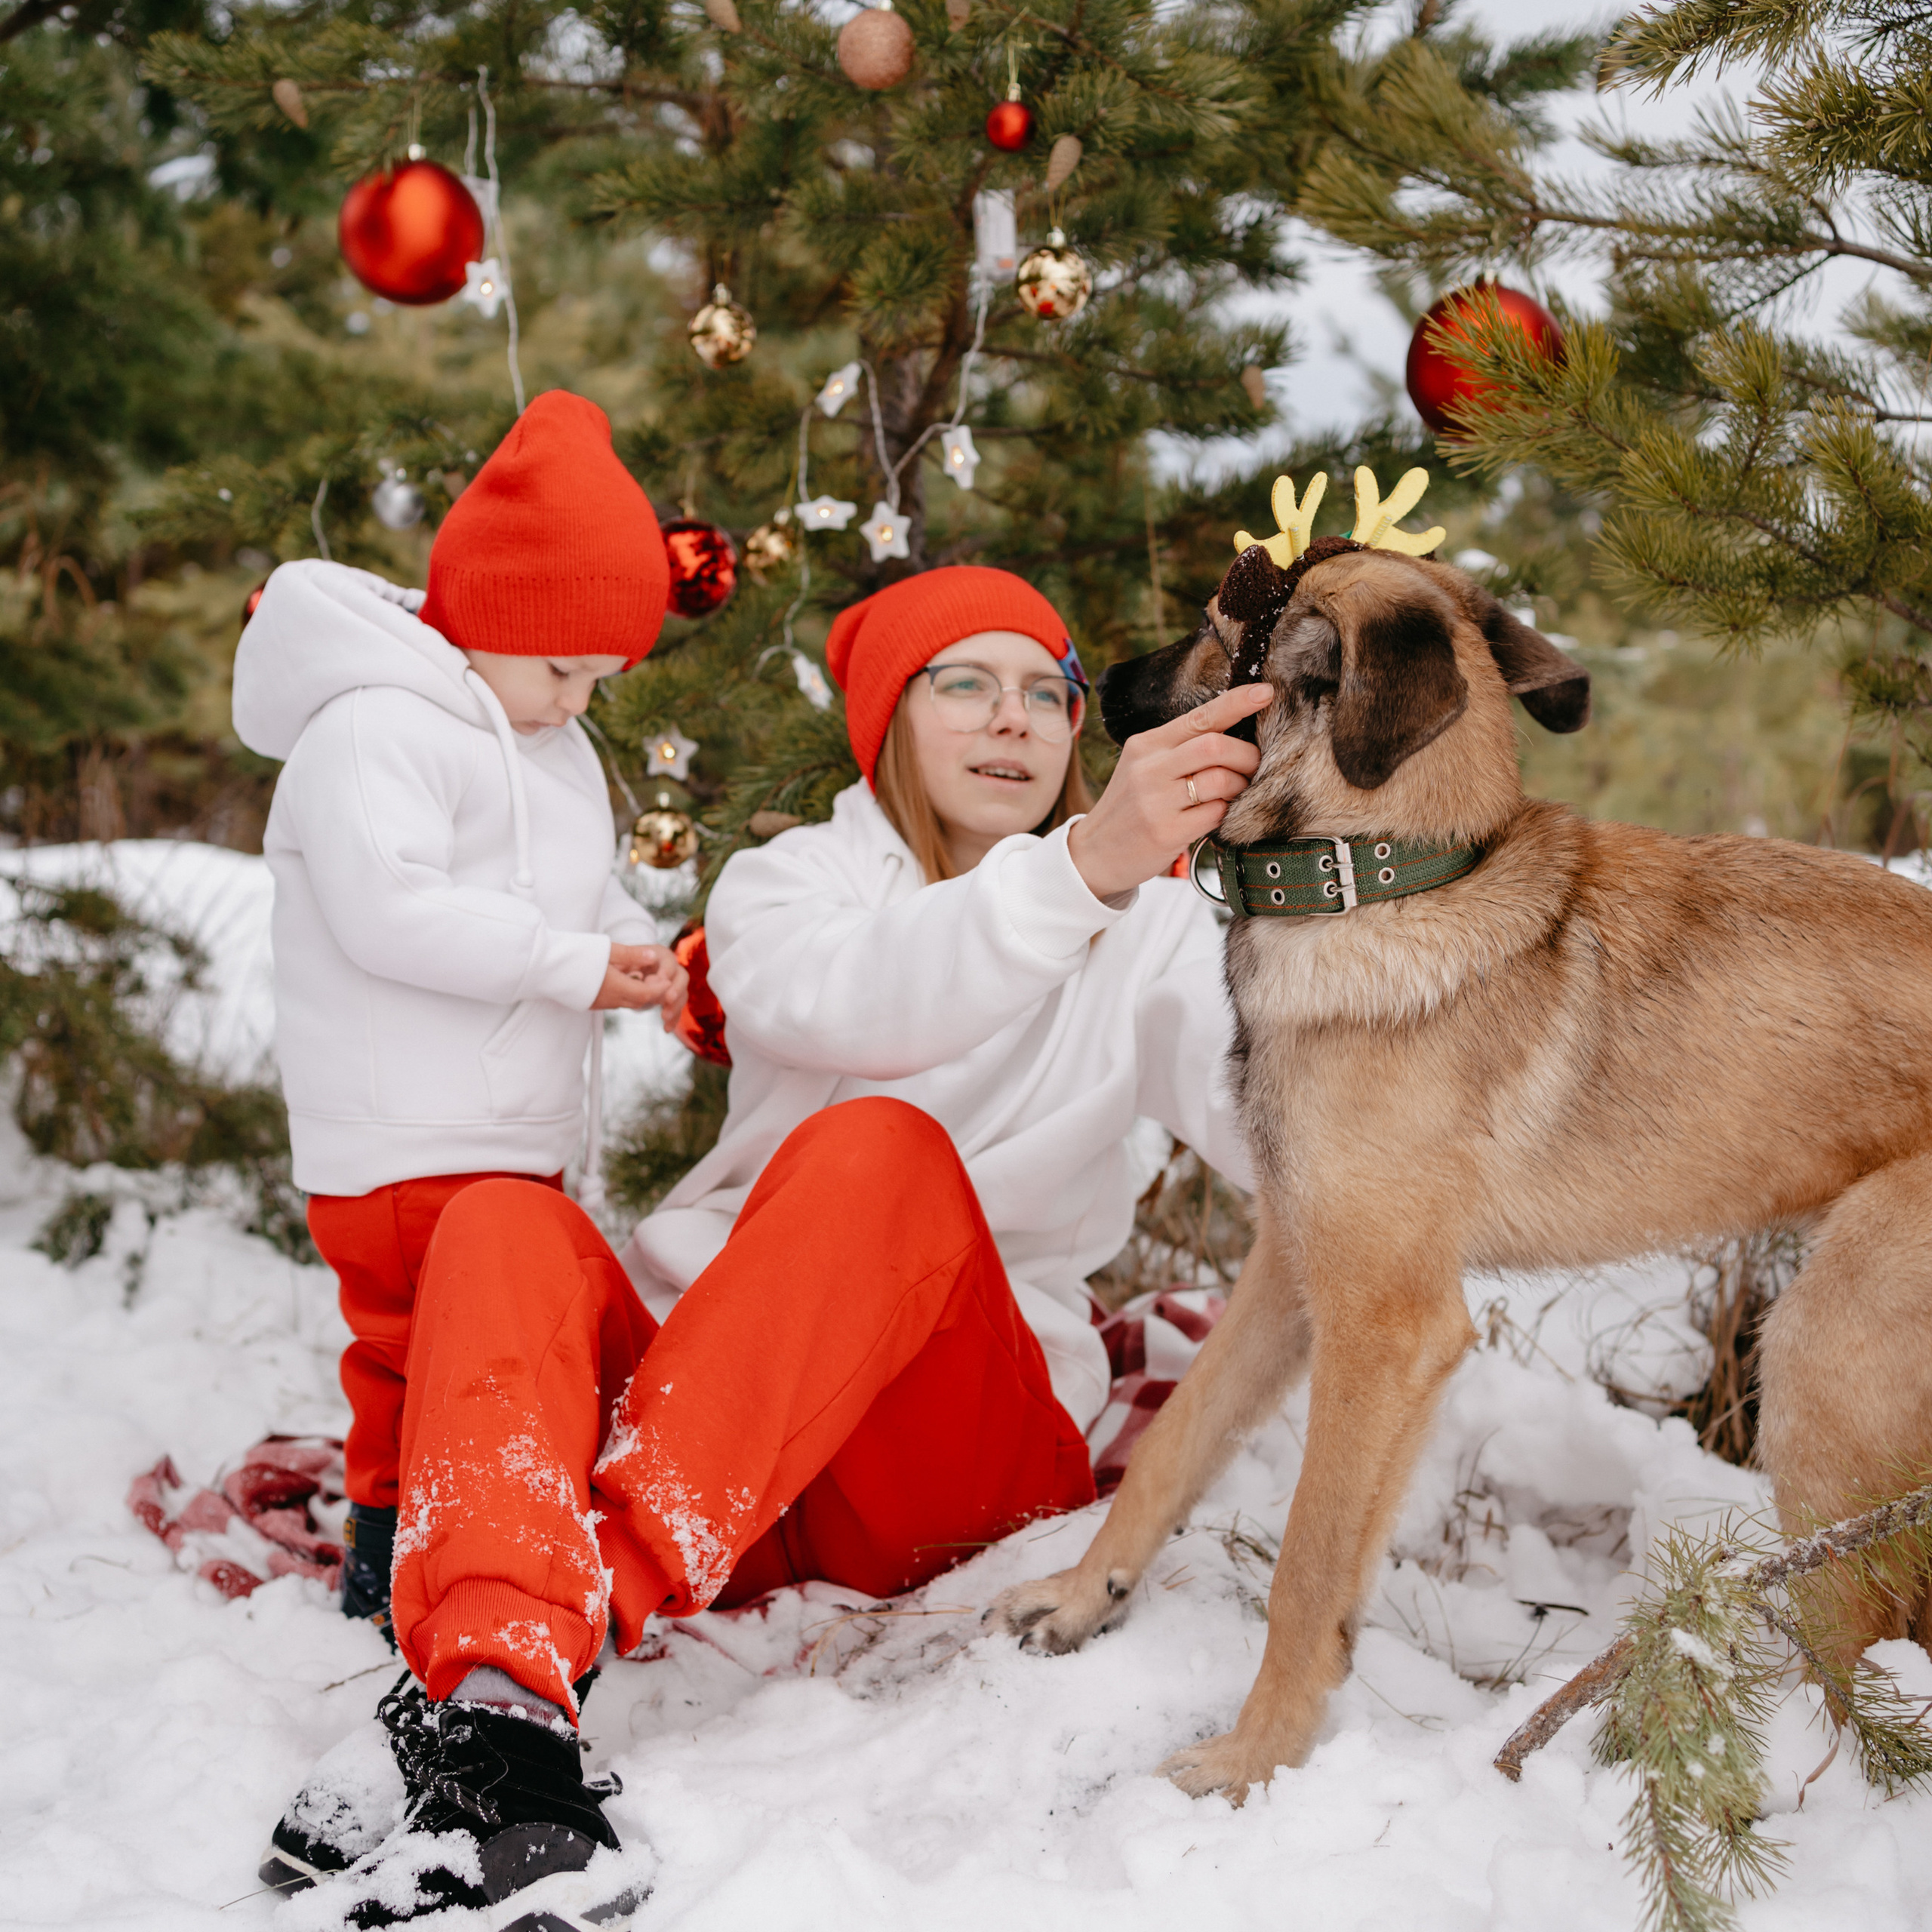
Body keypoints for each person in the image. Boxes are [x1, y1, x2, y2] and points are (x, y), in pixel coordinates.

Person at [263, 565, 1274, 1930]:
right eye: (963, 683)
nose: (1015, 720)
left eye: (1049, 692)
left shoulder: (1155, 930)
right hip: (712, 1426)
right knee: (501, 1219)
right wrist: (1083, 868)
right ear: (887, 721)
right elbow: (865, 1002)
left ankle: (524, 1635)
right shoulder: (785, 887)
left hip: (932, 1461)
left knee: (882, 1157)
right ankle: (498, 1721)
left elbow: (1274, 1119)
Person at [232, 390, 688, 1652]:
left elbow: (569, 884)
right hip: (401, 1132)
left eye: (602, 680)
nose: (577, 702)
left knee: (469, 1356)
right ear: (491, 620)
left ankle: (459, 1531)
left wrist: (630, 942)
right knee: (410, 1359)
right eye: (562, 669)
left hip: (507, 1128)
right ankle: (393, 1554)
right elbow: (392, 914)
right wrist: (573, 964)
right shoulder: (373, 731)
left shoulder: (551, 744)